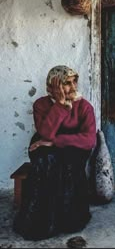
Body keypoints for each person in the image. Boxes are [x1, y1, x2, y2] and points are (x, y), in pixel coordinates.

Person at [13, 65, 96, 240]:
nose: (73, 88)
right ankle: (39, 223)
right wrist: (60, 105)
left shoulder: (84, 107)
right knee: (46, 160)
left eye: (74, 82)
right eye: (66, 83)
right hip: (44, 143)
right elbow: (45, 133)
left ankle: (69, 220)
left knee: (67, 163)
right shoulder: (41, 104)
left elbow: (89, 140)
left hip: (74, 146)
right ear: (53, 86)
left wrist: (56, 141)